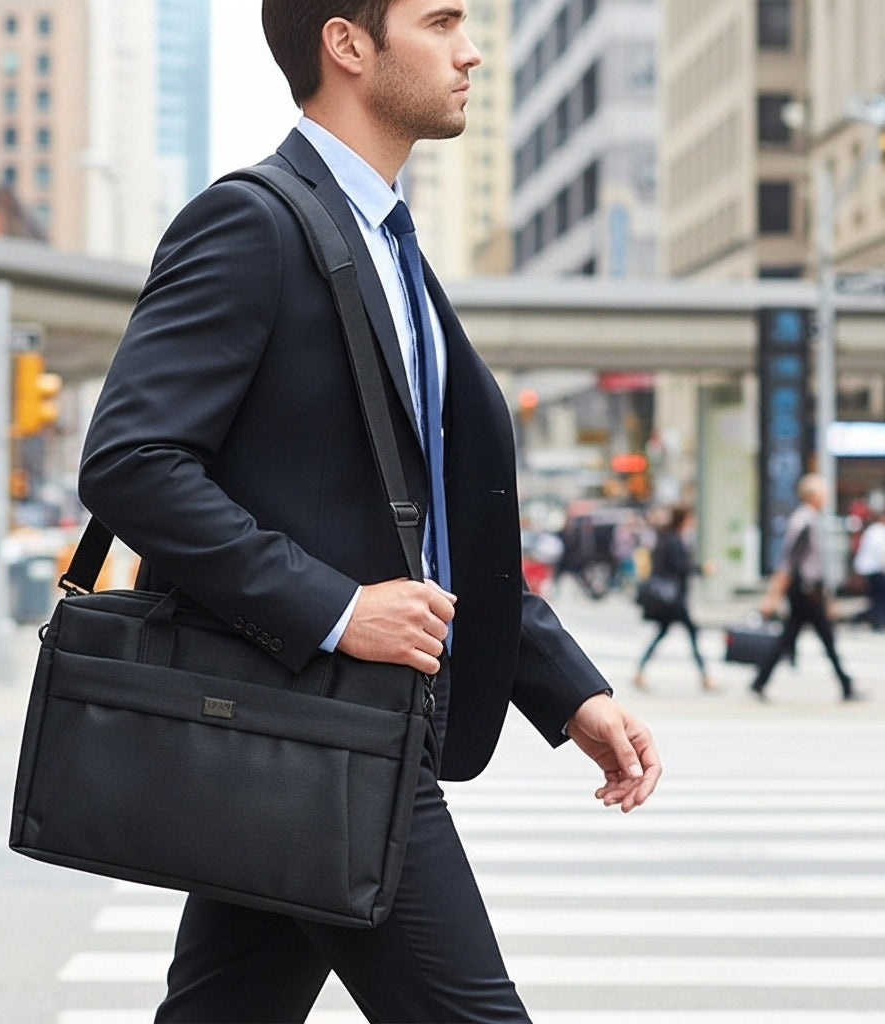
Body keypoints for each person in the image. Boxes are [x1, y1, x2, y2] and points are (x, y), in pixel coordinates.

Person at [78, 2, 662, 1020]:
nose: (470, 50)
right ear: (349, 44)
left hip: (315, 734)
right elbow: (130, 460)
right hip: (323, 729)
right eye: (440, 22)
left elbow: (431, 525)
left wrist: (565, 690)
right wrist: (340, 608)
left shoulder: (386, 245)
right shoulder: (253, 222)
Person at [751, 473, 860, 702]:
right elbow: (788, 561)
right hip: (805, 591)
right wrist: (773, 595)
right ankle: (845, 683)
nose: (826, 496)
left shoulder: (811, 519)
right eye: (823, 492)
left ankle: (760, 680)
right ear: (813, 495)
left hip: (811, 590)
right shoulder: (803, 521)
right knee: (820, 637)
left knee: (794, 635)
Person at [633, 504, 716, 692]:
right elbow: (681, 568)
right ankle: (705, 677)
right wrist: (703, 569)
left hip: (670, 598)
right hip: (673, 599)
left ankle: (640, 671)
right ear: (684, 519)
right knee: (692, 633)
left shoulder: (667, 538)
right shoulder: (673, 541)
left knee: (663, 634)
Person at [853, 500, 885, 632]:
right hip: (877, 569)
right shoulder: (879, 532)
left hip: (869, 569)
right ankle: (878, 621)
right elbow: (881, 552)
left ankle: (876, 620)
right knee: (879, 598)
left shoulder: (871, 531)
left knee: (875, 597)